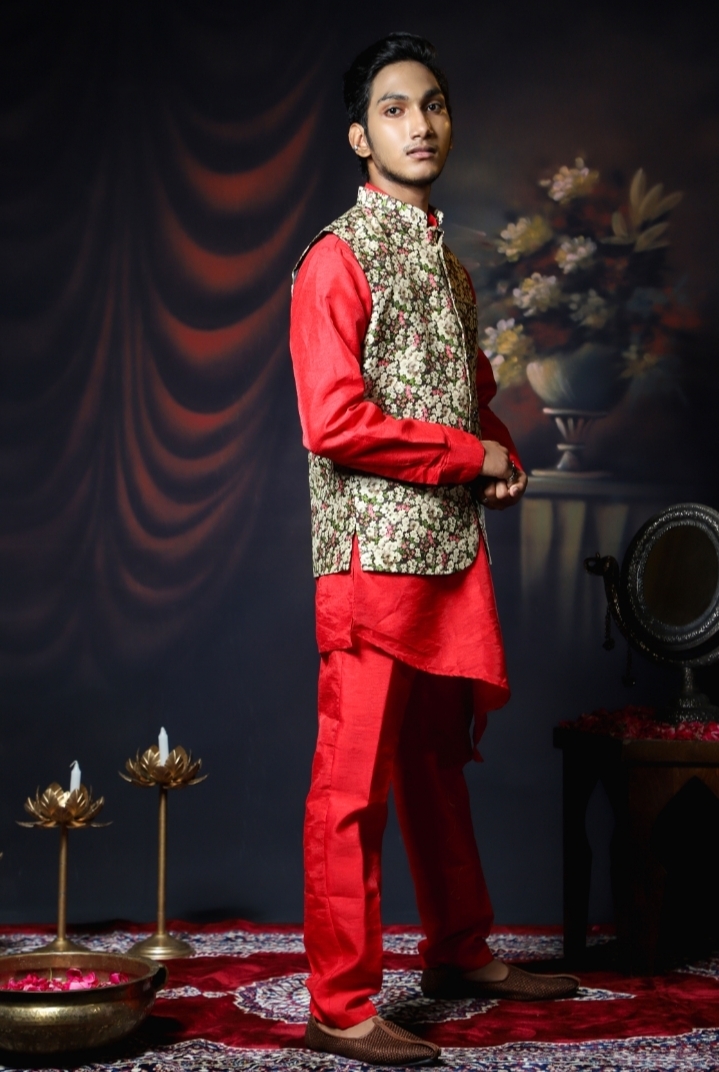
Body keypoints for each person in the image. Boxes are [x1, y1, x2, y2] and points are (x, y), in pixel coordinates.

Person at [289, 33, 578, 1067]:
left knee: (433, 765)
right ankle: (339, 1005)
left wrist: (496, 452)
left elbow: (469, 402)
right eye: (395, 108)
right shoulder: (335, 258)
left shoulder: (448, 268)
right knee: (351, 784)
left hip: (444, 555)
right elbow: (332, 421)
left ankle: (458, 950)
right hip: (369, 557)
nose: (420, 124)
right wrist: (466, 455)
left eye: (434, 105)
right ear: (358, 137)